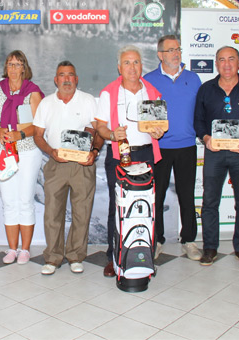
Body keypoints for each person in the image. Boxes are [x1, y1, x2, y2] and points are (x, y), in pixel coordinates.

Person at [194, 46, 239, 268]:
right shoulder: (206, 89)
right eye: (222, 60)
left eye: (231, 59)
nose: (227, 64)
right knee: (209, 202)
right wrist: (206, 138)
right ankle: (209, 248)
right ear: (216, 64)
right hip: (214, 154)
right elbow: (197, 121)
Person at [95, 45, 164, 277]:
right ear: (119, 67)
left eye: (136, 62)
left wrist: (158, 132)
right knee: (118, 206)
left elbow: (161, 126)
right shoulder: (108, 93)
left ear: (142, 66)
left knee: (148, 206)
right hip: (119, 155)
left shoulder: (153, 92)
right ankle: (113, 257)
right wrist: (112, 134)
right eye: (127, 62)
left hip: (146, 154)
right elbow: (100, 127)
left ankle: (145, 256)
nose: (132, 67)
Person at [33, 61, 103, 275]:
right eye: (62, 75)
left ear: (76, 79)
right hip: (56, 163)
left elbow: (99, 131)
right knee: (52, 212)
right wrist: (51, 152)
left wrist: (94, 152)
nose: (66, 79)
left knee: (82, 212)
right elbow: (37, 135)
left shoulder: (88, 101)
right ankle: (53, 257)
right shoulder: (46, 103)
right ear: (56, 80)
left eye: (70, 75)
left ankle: (75, 255)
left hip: (82, 164)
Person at [144, 35, 202, 261]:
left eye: (178, 49)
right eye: (170, 50)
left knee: (187, 196)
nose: (176, 54)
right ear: (160, 55)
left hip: (187, 146)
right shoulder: (148, 80)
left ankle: (189, 240)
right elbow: (144, 115)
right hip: (159, 147)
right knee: (156, 196)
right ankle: (157, 240)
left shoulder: (193, 78)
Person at [0, 50, 44, 265]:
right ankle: (12, 249)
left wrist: (20, 134)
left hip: (27, 150)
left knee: (25, 200)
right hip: (2, 151)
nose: (13, 68)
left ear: (24, 67)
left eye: (17, 64)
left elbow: (38, 125)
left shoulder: (33, 93)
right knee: (9, 201)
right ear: (6, 67)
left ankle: (25, 250)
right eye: (10, 64)